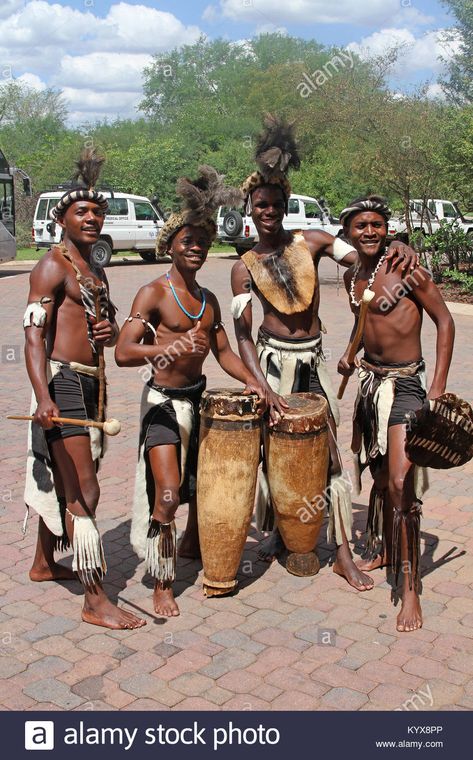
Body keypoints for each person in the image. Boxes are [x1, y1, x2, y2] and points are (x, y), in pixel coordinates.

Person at [231, 115, 419, 590]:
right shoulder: (244, 268)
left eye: (275, 204)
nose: (268, 211)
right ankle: (274, 532)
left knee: (331, 454)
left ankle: (339, 551)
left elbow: (362, 256)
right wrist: (259, 386)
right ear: (250, 210)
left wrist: (397, 245)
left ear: (285, 204)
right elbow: (242, 336)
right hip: (272, 364)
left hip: (311, 361)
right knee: (268, 450)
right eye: (261, 205)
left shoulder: (312, 243)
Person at [115, 166, 267, 617]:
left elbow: (223, 352)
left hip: (197, 401)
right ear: (171, 245)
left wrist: (256, 383)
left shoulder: (208, 300)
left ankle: (191, 547)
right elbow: (124, 352)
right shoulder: (152, 293)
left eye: (203, 242)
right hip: (162, 405)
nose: (197, 248)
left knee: (199, 488)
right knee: (166, 492)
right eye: (188, 241)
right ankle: (162, 582)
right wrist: (175, 343)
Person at [23, 148, 146, 630]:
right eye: (82, 212)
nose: (93, 218)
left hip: (93, 384)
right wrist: (45, 396)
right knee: (84, 489)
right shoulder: (50, 268)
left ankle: (43, 562)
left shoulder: (95, 268)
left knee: (71, 475)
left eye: (98, 211)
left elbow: (108, 329)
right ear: (62, 219)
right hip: (62, 382)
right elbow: (32, 337)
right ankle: (96, 600)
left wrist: (107, 332)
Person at [337, 195, 455, 631]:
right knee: (381, 477)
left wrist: (437, 387)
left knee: (404, 483)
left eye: (376, 224)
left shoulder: (407, 269)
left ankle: (410, 588)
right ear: (348, 231)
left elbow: (445, 319)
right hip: (370, 386)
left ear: (387, 228)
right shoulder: (352, 275)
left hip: (406, 385)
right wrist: (351, 353)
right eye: (360, 226)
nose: (369, 232)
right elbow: (363, 320)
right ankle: (385, 547)